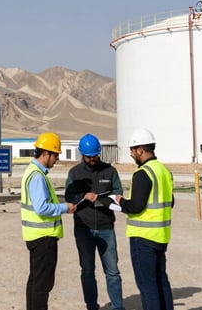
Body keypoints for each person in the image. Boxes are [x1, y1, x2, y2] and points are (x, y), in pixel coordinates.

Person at [111, 128, 174, 310]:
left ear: (140, 150)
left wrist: (121, 201)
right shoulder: (164, 171)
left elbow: (136, 206)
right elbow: (171, 202)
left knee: (147, 286)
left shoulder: (143, 173)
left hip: (143, 237)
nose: (131, 154)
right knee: (161, 281)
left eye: (132, 150)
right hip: (161, 236)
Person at [65, 133, 125, 310]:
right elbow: (68, 196)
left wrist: (106, 198)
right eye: (88, 156)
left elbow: (118, 193)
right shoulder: (74, 173)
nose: (92, 159)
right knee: (88, 271)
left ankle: (117, 307)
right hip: (84, 228)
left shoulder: (110, 171)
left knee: (113, 272)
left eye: (95, 155)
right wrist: (83, 196)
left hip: (106, 228)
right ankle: (91, 306)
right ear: (82, 154)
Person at [21, 132, 76, 310]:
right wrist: (64, 208)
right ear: (45, 154)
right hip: (43, 238)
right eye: (55, 155)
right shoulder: (37, 176)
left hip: (35, 236)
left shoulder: (32, 171)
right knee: (42, 285)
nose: (57, 159)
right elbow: (42, 208)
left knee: (35, 280)